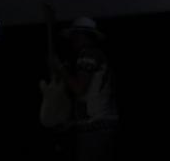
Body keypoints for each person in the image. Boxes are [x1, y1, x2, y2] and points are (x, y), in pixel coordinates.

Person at [42, 15, 120, 161]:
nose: (72, 40)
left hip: (96, 129)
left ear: (83, 36)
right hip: (102, 127)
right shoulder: (95, 55)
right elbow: (89, 96)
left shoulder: (88, 55)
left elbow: (79, 89)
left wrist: (58, 66)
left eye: (75, 35)